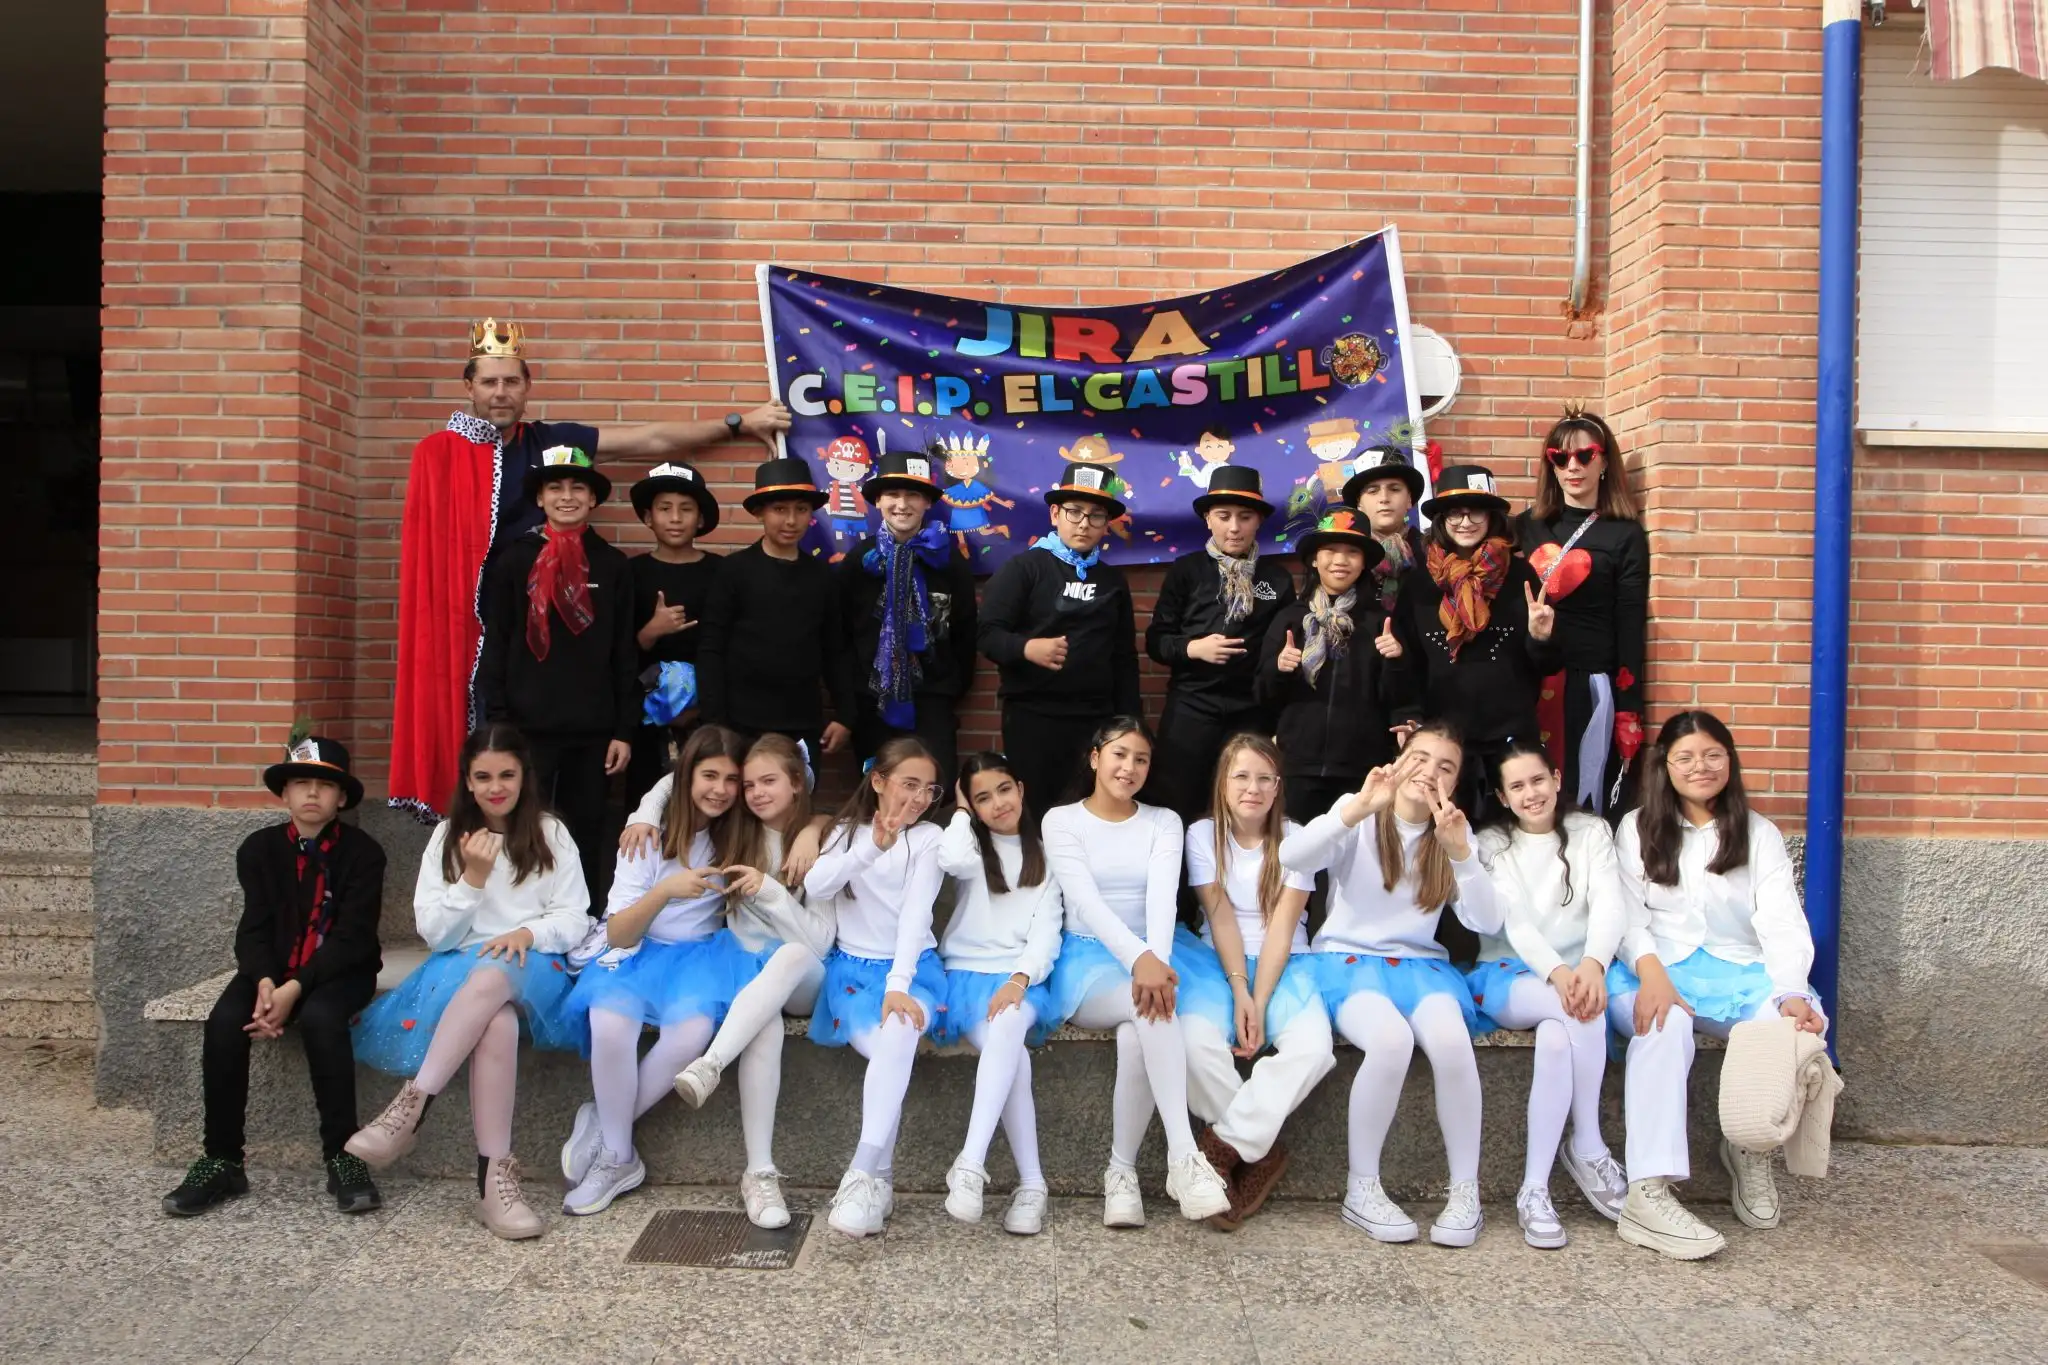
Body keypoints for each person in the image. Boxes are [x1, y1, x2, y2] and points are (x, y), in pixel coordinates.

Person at [389, 314, 786, 819]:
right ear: (469, 386)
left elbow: (649, 440)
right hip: (474, 625)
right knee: (495, 770)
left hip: (563, 636)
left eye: (511, 381)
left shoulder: (549, 442)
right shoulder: (440, 454)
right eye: (489, 382)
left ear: (527, 386)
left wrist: (738, 423)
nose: (500, 392)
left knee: (576, 801)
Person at [347, 724, 590, 1240]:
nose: (495, 787)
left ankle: (410, 1108)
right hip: (462, 969)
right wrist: (473, 878)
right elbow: (435, 934)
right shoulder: (446, 837)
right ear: (467, 780)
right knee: (496, 1023)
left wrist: (528, 932)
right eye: (483, 777)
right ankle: (493, 1186)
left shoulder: (550, 833)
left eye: (507, 775)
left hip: (535, 966)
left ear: (524, 776)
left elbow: (575, 918)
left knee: (496, 974)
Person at [1606, 711, 1827, 1261]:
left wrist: (1791, 989)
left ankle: (1749, 1147)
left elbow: (1781, 921)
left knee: (1784, 1030)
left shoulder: (1758, 833)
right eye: (1684, 757)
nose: (1699, 767)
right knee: (1664, 1024)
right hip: (1652, 967)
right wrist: (1651, 974)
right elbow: (1626, 916)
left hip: (1738, 971)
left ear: (1729, 761)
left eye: (1712, 755)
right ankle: (1647, 1190)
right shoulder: (1635, 828)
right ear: (1665, 766)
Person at [1278, 724, 1504, 1248]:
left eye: (1445, 767)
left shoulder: (1453, 832)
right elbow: (1293, 857)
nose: (1429, 772)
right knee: (1390, 1041)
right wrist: (1358, 807)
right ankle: (1362, 1188)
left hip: (1421, 967)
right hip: (1347, 962)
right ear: (1400, 757)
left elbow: (1487, 920)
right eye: (1420, 758)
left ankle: (1464, 1192)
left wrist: (1461, 855)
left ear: (1455, 782)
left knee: (1452, 1043)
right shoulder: (1359, 810)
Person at [161, 734, 388, 1219]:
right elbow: (253, 930)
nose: (312, 793)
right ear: (284, 794)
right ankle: (222, 1159)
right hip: (272, 969)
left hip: (339, 970)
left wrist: (296, 988)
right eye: (301, 783)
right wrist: (266, 982)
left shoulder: (364, 853)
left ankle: (343, 1155)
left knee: (323, 1020)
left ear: (341, 798)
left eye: (324, 785)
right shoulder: (258, 849)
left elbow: (353, 937)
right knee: (225, 1020)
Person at [557, 726, 770, 1216]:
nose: (720, 790)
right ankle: (619, 1156)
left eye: (731, 779)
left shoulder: (739, 832)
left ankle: (607, 1120)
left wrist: (811, 831)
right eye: (709, 776)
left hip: (701, 959)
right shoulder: (647, 837)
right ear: (686, 776)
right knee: (609, 1021)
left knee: (691, 1033)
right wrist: (665, 891)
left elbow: (796, 796)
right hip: (638, 949)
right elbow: (619, 933)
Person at [1041, 719, 1233, 1225]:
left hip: (1158, 951)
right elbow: (1085, 901)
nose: (1129, 767)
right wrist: (1140, 963)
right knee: (1146, 1005)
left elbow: (1162, 898)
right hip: (1088, 959)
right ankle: (1184, 1157)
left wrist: (1157, 964)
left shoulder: (1163, 821)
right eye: (1120, 754)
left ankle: (1121, 1173)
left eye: (1141, 759)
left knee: (1138, 1031)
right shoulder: (1061, 821)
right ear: (1095, 757)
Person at [668, 734, 837, 1229]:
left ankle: (711, 1064)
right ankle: (759, 1175)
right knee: (764, 1024)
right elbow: (670, 788)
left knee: (790, 954)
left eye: (769, 782)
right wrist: (638, 816)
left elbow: (819, 943)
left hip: (806, 977)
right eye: (749, 785)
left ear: (797, 783)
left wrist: (772, 890)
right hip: (745, 977)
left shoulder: (824, 844)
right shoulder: (736, 833)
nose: (757, 793)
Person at [1468, 742, 1631, 1249]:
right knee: (1579, 1012)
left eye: (1538, 780)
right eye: (1517, 786)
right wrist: (1559, 973)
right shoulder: (1491, 843)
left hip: (1579, 971)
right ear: (1502, 797)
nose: (1531, 794)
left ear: (1557, 779)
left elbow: (1610, 904)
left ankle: (1534, 1190)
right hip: (1510, 973)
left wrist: (1593, 963)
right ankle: (1588, 1144)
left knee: (1559, 1039)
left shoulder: (1591, 832)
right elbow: (1514, 921)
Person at [1179, 734, 1336, 1231]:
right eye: (1242, 776)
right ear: (1223, 783)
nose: (1253, 788)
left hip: (1286, 962)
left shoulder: (1297, 836)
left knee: (1314, 1049)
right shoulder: (1201, 835)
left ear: (1278, 786)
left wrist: (1260, 999)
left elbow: (1284, 927)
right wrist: (1239, 989)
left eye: (1265, 778)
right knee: (1191, 1041)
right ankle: (1262, 1154)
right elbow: (1220, 917)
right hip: (1216, 959)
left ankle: (1224, 1147)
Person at [476, 445, 638, 908]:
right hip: (525, 727)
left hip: (593, 729)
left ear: (593, 498)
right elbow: (497, 641)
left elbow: (624, 652)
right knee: (524, 826)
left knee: (587, 827)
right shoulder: (514, 561)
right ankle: (522, 915)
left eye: (577, 487)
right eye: (555, 488)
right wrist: (499, 723)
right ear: (540, 498)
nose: (567, 497)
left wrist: (623, 730)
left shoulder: (612, 565)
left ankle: (583, 916)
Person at [803, 738, 950, 1239]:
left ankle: (861, 1173)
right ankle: (881, 1181)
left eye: (928, 789)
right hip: (852, 973)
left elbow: (916, 916)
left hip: (914, 969)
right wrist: (871, 848)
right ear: (879, 781)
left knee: (900, 1031)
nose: (919, 798)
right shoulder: (844, 833)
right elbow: (817, 886)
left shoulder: (928, 838)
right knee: (892, 1048)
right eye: (909, 784)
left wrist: (898, 984)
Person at [934, 752, 1066, 1235]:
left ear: (1022, 789)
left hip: (1019, 977)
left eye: (1004, 789)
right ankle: (1032, 1185)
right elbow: (951, 858)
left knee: (1009, 1023)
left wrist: (1020, 978)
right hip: (965, 978)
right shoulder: (971, 845)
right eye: (983, 797)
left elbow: (1048, 930)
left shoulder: (1048, 854)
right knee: (1015, 1058)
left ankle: (971, 1163)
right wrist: (961, 813)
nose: (998, 804)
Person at [1389, 464, 1564, 800]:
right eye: (1455, 513)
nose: (1465, 522)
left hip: (1511, 738)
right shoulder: (1421, 583)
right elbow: (1408, 661)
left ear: (1492, 517)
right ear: (1442, 520)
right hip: (1444, 741)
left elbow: (1549, 664)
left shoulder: (1521, 576)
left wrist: (1541, 637)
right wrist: (1408, 717)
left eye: (1476, 512)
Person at [978, 463, 1143, 818]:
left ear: (1106, 523)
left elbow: (1124, 658)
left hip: (1097, 722)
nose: (1084, 523)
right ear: (1055, 514)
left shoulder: (1113, 581)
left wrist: (1130, 724)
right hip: (1033, 718)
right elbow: (987, 634)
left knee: (1091, 814)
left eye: (1096, 515)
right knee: (1038, 814)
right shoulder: (1024, 568)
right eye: (1074, 512)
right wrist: (1025, 648)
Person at [1514, 407, 1650, 817]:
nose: (1572, 467)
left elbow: (1630, 624)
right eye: (1560, 457)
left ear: (1604, 461)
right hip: (1531, 680)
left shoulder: (1625, 534)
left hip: (1590, 686)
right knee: (1527, 792)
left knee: (1582, 797)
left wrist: (1629, 707)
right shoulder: (1526, 525)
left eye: (1585, 455)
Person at [1143, 466, 1296, 819]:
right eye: (1224, 516)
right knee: (1177, 801)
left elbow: (1284, 645)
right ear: (1207, 519)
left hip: (1252, 710)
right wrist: (1193, 648)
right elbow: (1156, 640)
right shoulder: (1187, 570)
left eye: (1245, 517)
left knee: (1246, 805)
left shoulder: (1277, 578)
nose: (1234, 527)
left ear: (1259, 521)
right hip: (1191, 706)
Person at [1257, 507, 1410, 829]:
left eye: (1352, 552)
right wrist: (1279, 669)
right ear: (1314, 559)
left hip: (1361, 769)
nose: (1340, 560)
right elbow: (1263, 696)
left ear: (1364, 562)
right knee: (1297, 849)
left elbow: (1397, 700)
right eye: (1330, 550)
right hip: (1297, 767)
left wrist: (1396, 661)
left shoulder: (1379, 622)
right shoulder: (1290, 619)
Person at [697, 457, 858, 759]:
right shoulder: (733, 571)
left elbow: (835, 650)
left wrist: (845, 715)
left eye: (801, 509)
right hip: (739, 725)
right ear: (760, 512)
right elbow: (711, 649)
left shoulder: (822, 577)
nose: (791, 521)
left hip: (803, 725)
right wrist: (715, 722)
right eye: (780, 509)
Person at [838, 450, 978, 796]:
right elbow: (841, 634)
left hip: (932, 699)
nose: (902, 504)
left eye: (913, 494)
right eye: (892, 494)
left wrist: (948, 687)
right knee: (876, 796)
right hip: (873, 701)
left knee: (933, 794)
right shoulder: (860, 562)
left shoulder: (949, 562)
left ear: (928, 502)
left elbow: (965, 633)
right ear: (878, 501)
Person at [624, 461, 723, 807]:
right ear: (648, 517)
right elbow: (617, 653)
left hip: (708, 716)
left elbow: (730, 648)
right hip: (645, 719)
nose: (676, 518)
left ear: (701, 518)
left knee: (706, 802)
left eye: (686, 509)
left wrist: (701, 708)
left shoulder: (722, 572)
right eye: (665, 509)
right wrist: (652, 630)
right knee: (646, 803)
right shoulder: (631, 573)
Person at [1341, 444, 1426, 617]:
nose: (1384, 498)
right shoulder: (1340, 556)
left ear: (1409, 500)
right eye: (1373, 491)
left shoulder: (1434, 554)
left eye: (1394, 489)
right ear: (1359, 503)